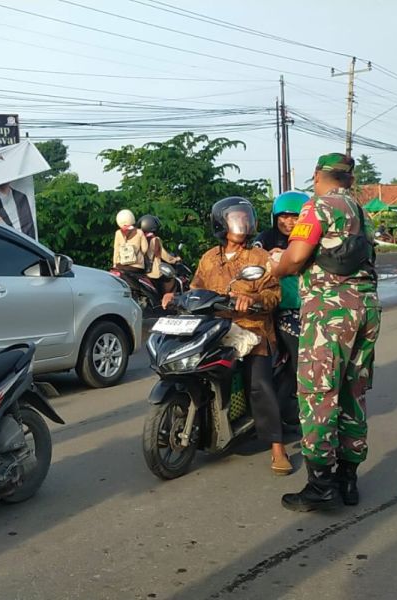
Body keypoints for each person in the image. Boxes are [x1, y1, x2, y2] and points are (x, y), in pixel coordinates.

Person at [270, 152, 380, 512]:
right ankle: (348, 479)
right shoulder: (360, 211)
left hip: (330, 311)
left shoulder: (318, 207)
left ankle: (320, 485)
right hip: (366, 307)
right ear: (348, 178)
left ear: (317, 175)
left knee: (318, 393)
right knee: (353, 391)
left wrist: (277, 266)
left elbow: (298, 256)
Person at [162, 197, 290, 475]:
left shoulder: (259, 257)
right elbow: (197, 287)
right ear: (221, 222)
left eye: (246, 218)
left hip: (253, 330)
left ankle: (277, 446)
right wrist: (176, 296)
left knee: (259, 385)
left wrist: (251, 298)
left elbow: (274, 294)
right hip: (215, 326)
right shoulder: (209, 257)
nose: (243, 223)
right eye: (237, 218)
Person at [254, 191, 311, 428]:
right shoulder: (265, 238)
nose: (288, 222)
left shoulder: (309, 240)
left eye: (295, 217)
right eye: (283, 216)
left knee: (301, 358)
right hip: (266, 307)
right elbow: (252, 259)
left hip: (299, 308)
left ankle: (304, 404)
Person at [139, 214, 181, 294]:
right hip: (153, 272)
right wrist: (175, 259)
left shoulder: (141, 239)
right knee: (171, 279)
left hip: (143, 271)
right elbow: (164, 255)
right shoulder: (155, 239)